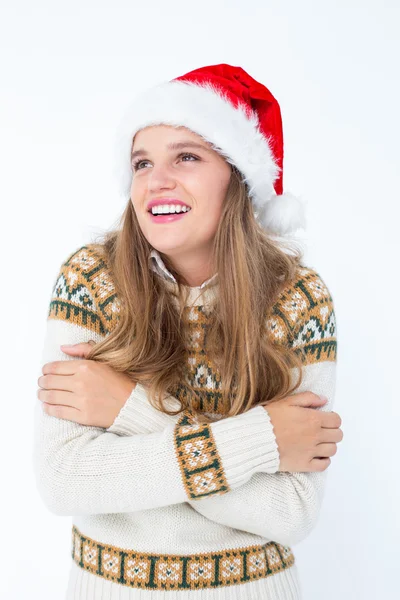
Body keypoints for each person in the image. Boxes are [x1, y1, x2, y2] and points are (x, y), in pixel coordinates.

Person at [34, 63, 343, 600]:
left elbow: (291, 512)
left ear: (238, 177)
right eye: (142, 162)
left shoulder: (299, 299)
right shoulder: (91, 279)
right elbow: (65, 479)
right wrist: (263, 440)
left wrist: (130, 412)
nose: (157, 180)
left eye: (187, 157)